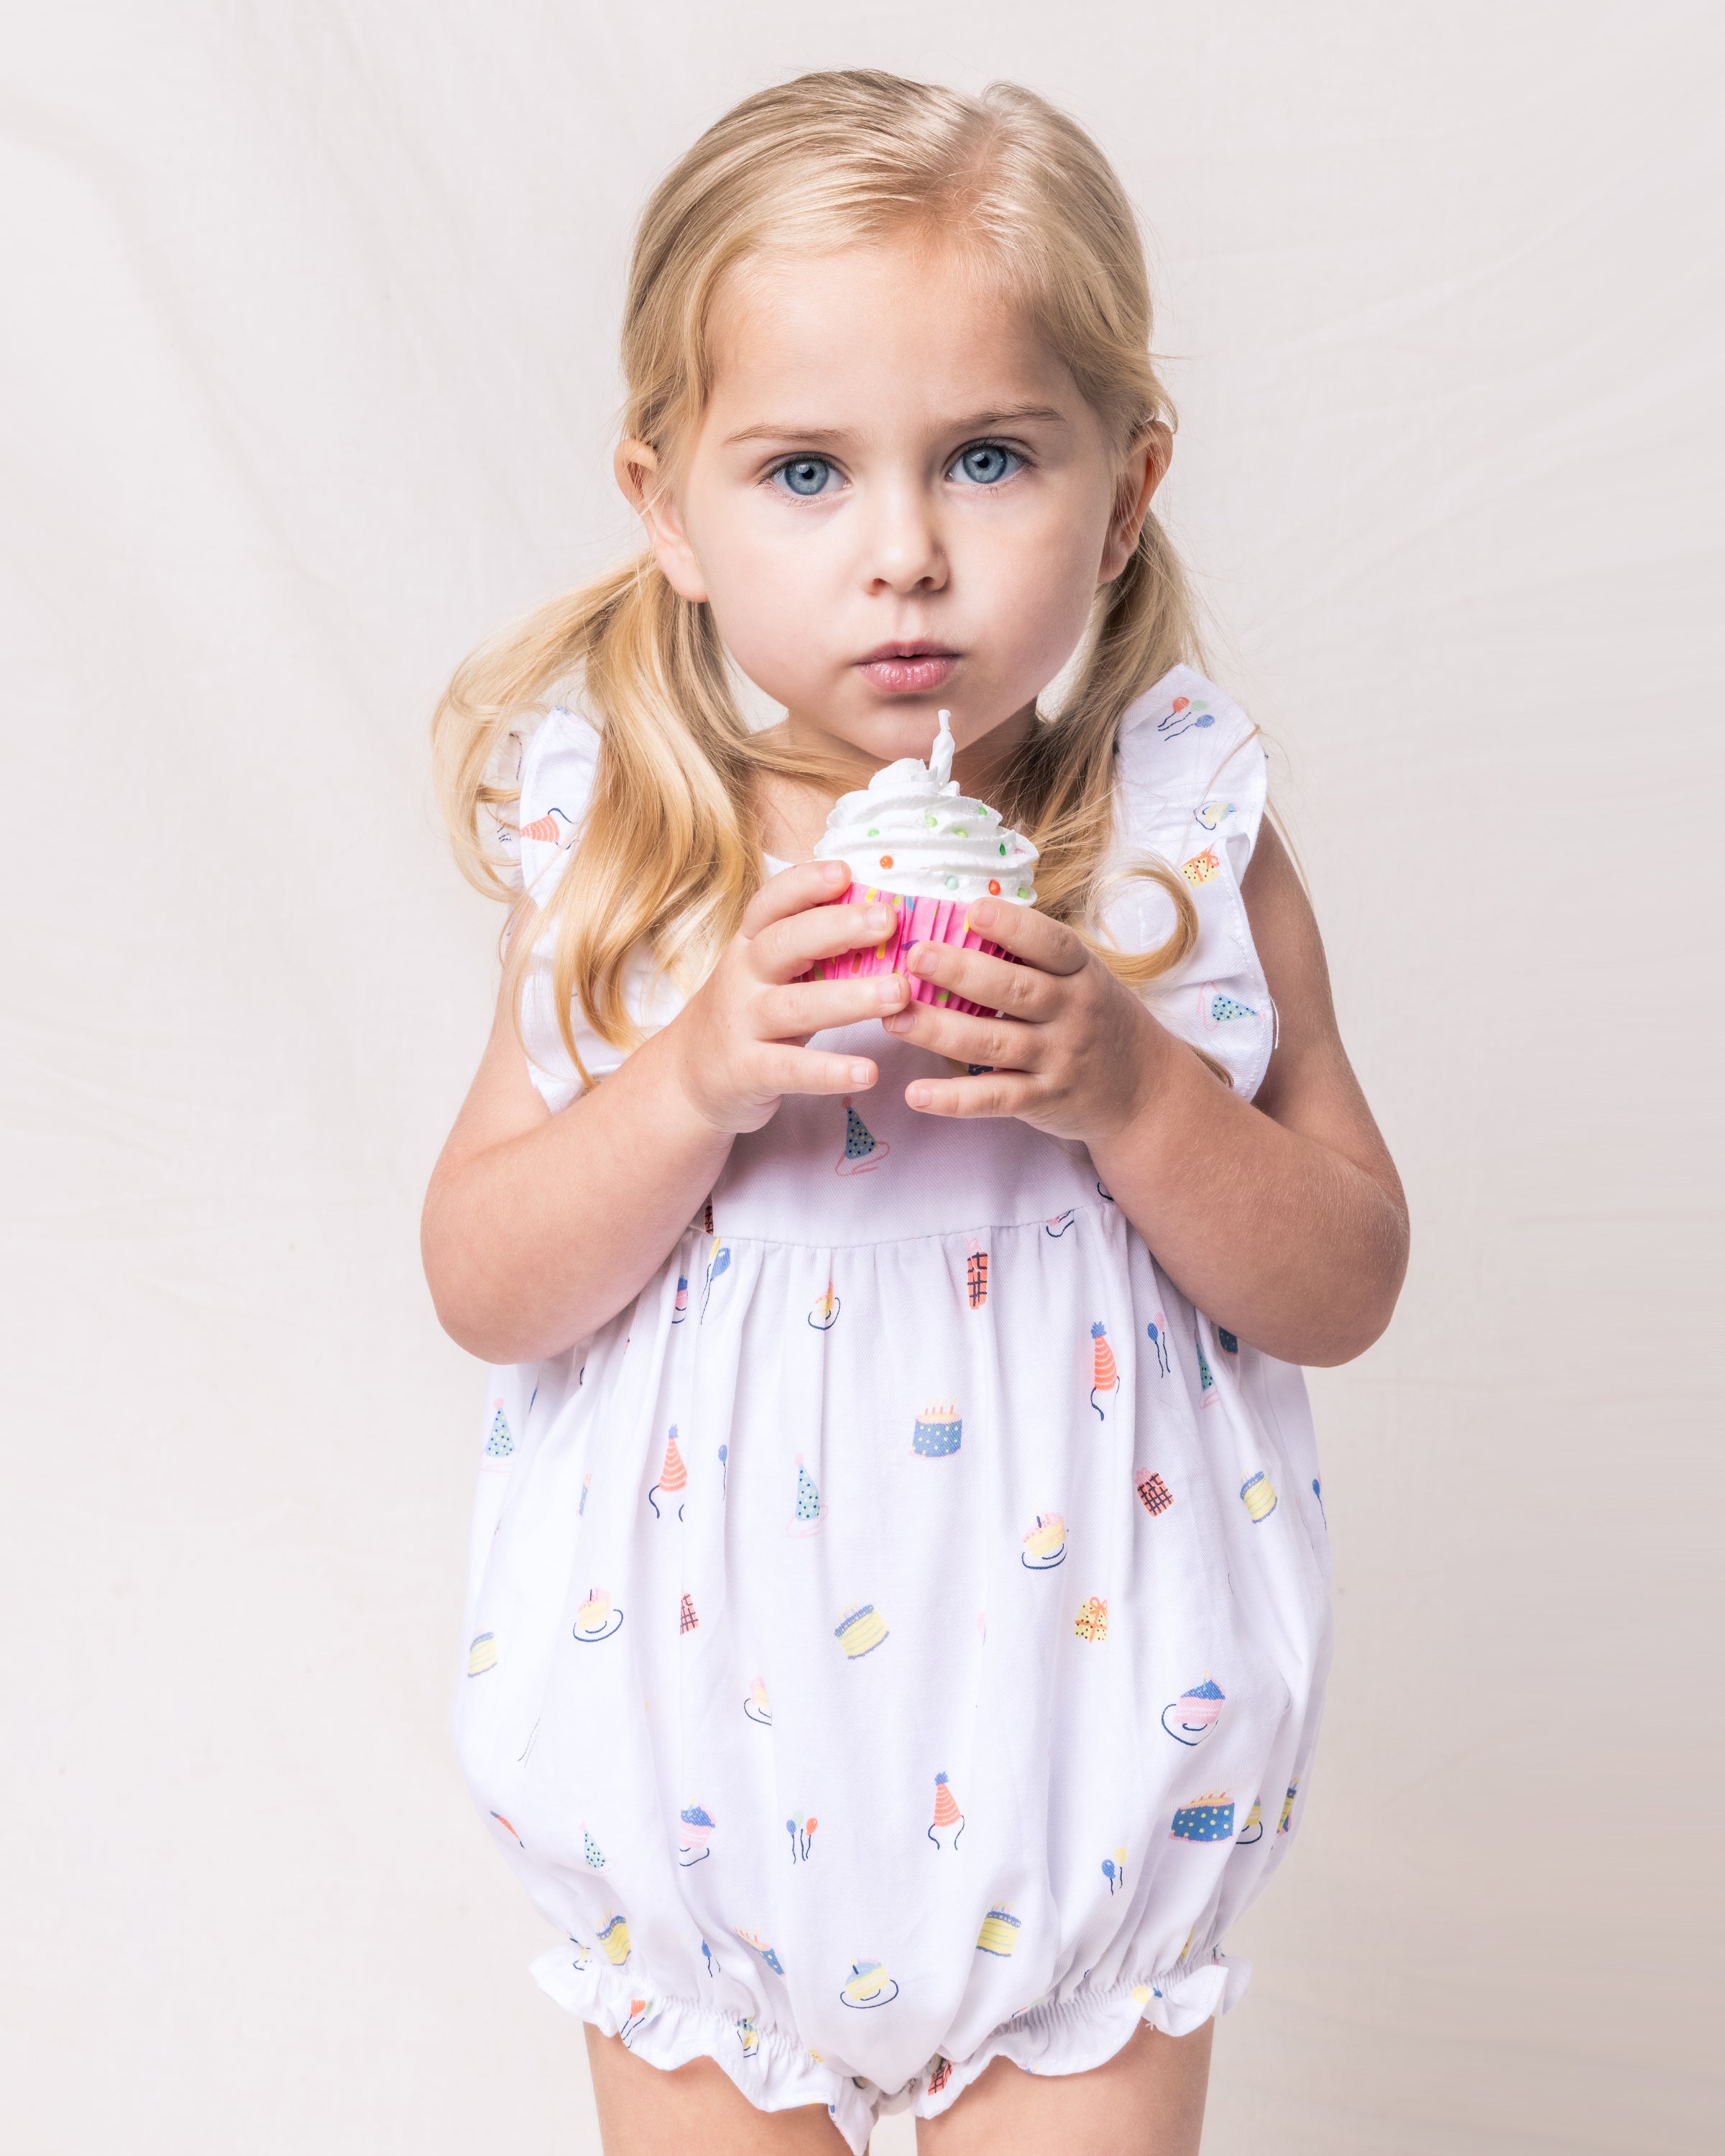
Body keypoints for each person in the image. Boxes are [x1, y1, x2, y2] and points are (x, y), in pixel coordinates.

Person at [423, 69, 1407, 2156]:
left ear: (1125, 492)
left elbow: (1343, 1278)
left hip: (1082, 1795)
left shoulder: (1174, 845)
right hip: (703, 1809)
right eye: (802, 471)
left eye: (984, 458)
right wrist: (690, 1075)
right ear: (666, 504)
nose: (903, 556)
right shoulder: (633, 856)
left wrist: (1133, 1087)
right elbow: (487, 1281)